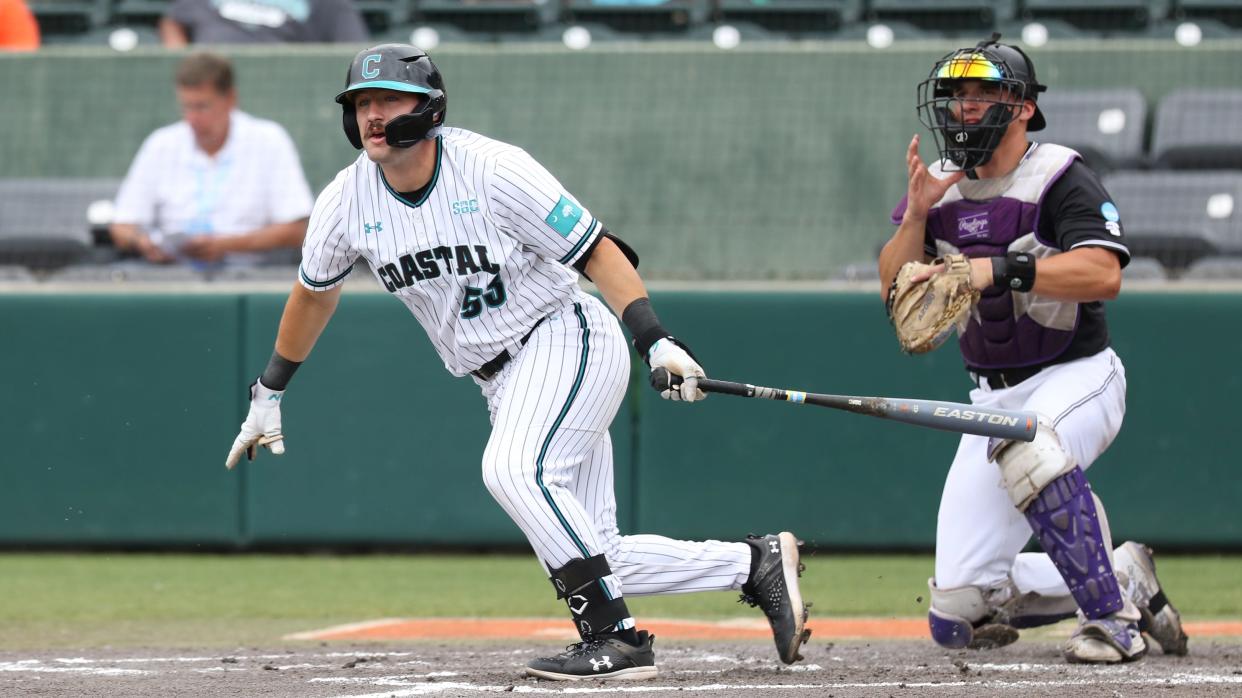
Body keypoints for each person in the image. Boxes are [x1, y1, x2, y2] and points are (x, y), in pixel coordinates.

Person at [223, 43, 811, 681]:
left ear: (429, 109)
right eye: (361, 103)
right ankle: (753, 564)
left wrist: (655, 339)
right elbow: (313, 296)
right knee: (596, 548)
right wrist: (269, 391)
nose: (371, 114)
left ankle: (615, 639)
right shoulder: (347, 201)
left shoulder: (493, 169)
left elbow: (597, 251)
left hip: (564, 335)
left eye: (388, 99)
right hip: (498, 378)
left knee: (513, 471)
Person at [878, 34, 1189, 664]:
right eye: (955, 95)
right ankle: (1124, 572)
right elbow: (893, 288)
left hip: (1078, 375)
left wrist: (1003, 269)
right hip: (990, 394)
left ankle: (1113, 619)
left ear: (1020, 107)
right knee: (961, 606)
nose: (963, 108)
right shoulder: (939, 187)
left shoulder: (1059, 176)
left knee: (1030, 447)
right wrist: (915, 219)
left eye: (980, 94)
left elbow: (1104, 274)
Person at [111, 52, 313, 268]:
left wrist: (227, 245)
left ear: (230, 100)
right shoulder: (160, 144)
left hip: (249, 273)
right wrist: (144, 243)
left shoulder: (269, 140)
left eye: (202, 106)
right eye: (186, 107)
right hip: (168, 273)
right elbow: (121, 226)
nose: (192, 118)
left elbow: (297, 229)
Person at [159, 0, 367, 46]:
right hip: (211, 84)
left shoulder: (330, 5)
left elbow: (352, 51)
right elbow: (173, 22)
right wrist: (180, 59)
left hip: (279, 86)